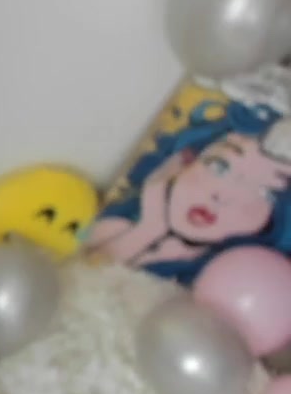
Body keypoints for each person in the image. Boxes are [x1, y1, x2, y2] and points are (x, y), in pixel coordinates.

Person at [84, 98, 291, 285]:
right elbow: (83, 278)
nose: (222, 196)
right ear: (184, 161)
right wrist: (149, 228)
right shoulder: (115, 228)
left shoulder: (233, 283)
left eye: (265, 192)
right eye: (219, 166)